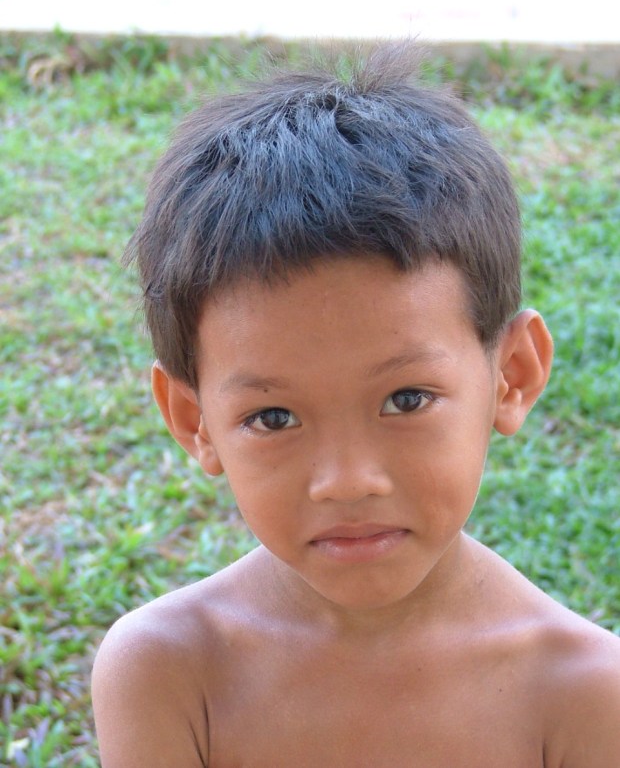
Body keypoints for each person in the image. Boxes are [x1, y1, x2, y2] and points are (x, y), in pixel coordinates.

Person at [91, 44, 620, 767]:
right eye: (273, 418)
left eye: (406, 399)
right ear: (194, 421)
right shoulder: (168, 673)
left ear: (512, 376)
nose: (346, 481)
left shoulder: (584, 695)